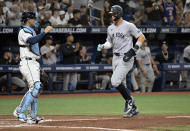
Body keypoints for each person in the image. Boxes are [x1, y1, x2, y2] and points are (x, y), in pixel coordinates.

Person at [97, 5, 146, 118]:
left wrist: (134, 50)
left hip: (126, 57)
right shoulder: (110, 28)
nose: (111, 16)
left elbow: (141, 37)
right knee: (121, 84)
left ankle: (129, 100)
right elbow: (109, 43)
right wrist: (103, 45)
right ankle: (134, 108)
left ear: (118, 14)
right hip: (115, 57)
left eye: (113, 14)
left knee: (114, 82)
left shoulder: (129, 25)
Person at [13, 11, 53, 124]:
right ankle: (19, 111)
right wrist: (44, 32)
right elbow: (31, 41)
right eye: (33, 18)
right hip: (27, 62)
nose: (35, 20)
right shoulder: (23, 30)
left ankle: (32, 116)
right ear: (28, 20)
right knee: (36, 86)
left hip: (34, 62)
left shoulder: (32, 30)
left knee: (36, 89)